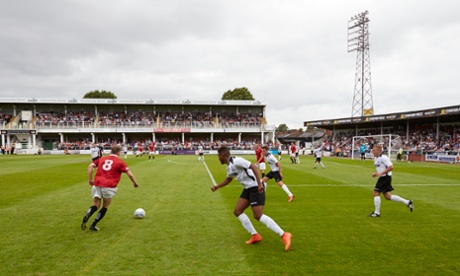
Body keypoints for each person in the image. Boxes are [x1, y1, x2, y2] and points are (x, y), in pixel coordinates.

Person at [211, 146, 292, 251]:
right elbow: (228, 179)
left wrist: (259, 184)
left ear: (223, 156)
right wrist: (217, 186)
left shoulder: (237, 160)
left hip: (255, 187)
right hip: (248, 188)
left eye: (218, 156)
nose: (218, 158)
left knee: (258, 215)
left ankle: (284, 234)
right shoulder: (229, 166)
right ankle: (255, 235)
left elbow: (253, 166)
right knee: (238, 211)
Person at [81, 145, 139, 231]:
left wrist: (90, 179)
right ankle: (93, 225)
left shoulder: (102, 159)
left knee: (96, 205)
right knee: (105, 205)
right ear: (119, 153)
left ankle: (88, 215)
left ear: (110, 152)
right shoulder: (120, 162)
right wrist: (135, 183)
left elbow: (90, 166)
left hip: (97, 184)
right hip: (109, 186)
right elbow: (130, 174)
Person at [368, 144, 413, 217]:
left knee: (376, 193)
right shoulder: (376, 158)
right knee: (388, 196)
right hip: (383, 177)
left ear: (379, 151)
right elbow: (381, 169)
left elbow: (391, 167)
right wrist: (376, 174)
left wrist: (381, 173)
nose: (373, 152)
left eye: (374, 150)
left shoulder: (384, 157)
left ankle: (377, 213)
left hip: (385, 177)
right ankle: (407, 202)